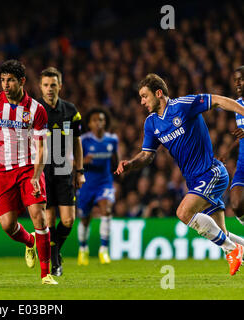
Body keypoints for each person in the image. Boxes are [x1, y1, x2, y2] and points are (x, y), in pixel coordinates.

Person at [115, 73, 244, 275]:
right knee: (222, 233)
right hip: (194, 180)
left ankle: (231, 250)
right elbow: (147, 155)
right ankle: (235, 247)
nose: (141, 102)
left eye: (144, 96)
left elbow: (218, 101)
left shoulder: (183, 105)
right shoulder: (151, 124)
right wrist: (131, 164)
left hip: (211, 173)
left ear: (158, 93)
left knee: (184, 213)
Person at [0, 59, 57, 284]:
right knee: (7, 225)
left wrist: (36, 176)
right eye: (2, 80)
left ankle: (46, 274)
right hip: (1, 171)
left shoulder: (36, 110)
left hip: (28, 168)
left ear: (21, 81)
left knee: (38, 217)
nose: (5, 85)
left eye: (10, 80)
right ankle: (29, 242)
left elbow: (42, 148)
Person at [37, 67, 85, 276]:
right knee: (49, 220)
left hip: (64, 169)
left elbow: (77, 142)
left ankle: (54, 252)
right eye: (46, 85)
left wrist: (80, 170)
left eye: (53, 85)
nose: (49, 89)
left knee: (67, 221)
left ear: (60, 86)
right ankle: (55, 263)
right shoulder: (35, 111)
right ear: (40, 87)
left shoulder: (71, 111)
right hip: (43, 171)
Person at [77, 108, 118, 266]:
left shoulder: (112, 140)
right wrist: (83, 162)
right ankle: (83, 249)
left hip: (104, 183)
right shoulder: (84, 140)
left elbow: (116, 160)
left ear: (105, 122)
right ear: (89, 123)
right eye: (95, 120)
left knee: (106, 210)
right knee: (85, 219)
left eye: (101, 120)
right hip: (87, 184)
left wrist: (120, 170)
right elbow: (72, 162)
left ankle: (104, 250)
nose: (98, 123)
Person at [218, 66, 244, 227]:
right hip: (242, 163)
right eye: (235, 80)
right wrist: (227, 152)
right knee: (236, 205)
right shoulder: (238, 105)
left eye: (241, 79)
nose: (238, 84)